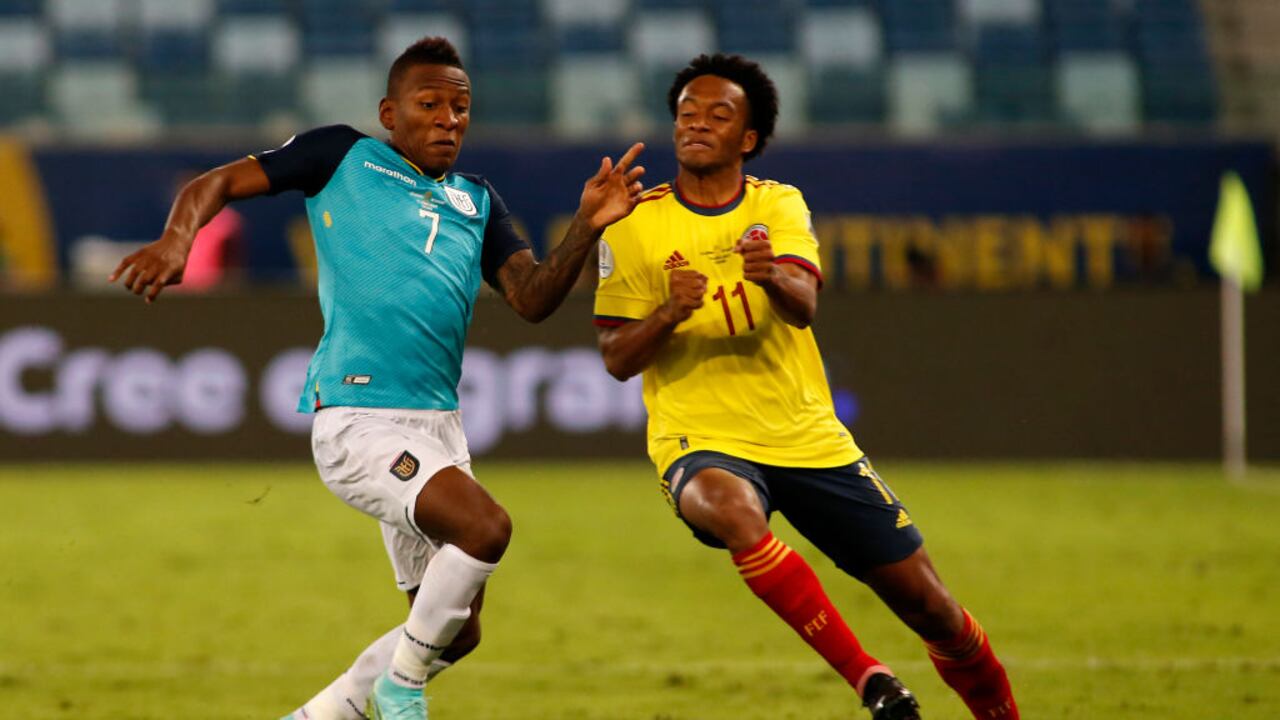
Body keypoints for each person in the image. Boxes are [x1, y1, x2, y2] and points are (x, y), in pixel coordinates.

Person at [110, 37, 645, 720]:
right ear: (390, 114)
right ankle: (400, 687)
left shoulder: (478, 202)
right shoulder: (340, 156)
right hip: (360, 419)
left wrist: (587, 227)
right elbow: (210, 184)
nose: (449, 119)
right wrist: (178, 238)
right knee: (486, 530)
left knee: (455, 631)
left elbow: (533, 299)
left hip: (438, 429)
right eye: (431, 105)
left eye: (461, 107)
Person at [592, 53, 1019, 720]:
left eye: (718, 115)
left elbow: (803, 304)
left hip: (806, 434)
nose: (696, 124)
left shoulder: (777, 203)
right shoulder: (633, 220)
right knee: (731, 510)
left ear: (749, 139)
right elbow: (616, 357)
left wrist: (771, 276)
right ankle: (870, 679)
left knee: (934, 609)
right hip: (699, 435)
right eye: (686, 114)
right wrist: (669, 312)